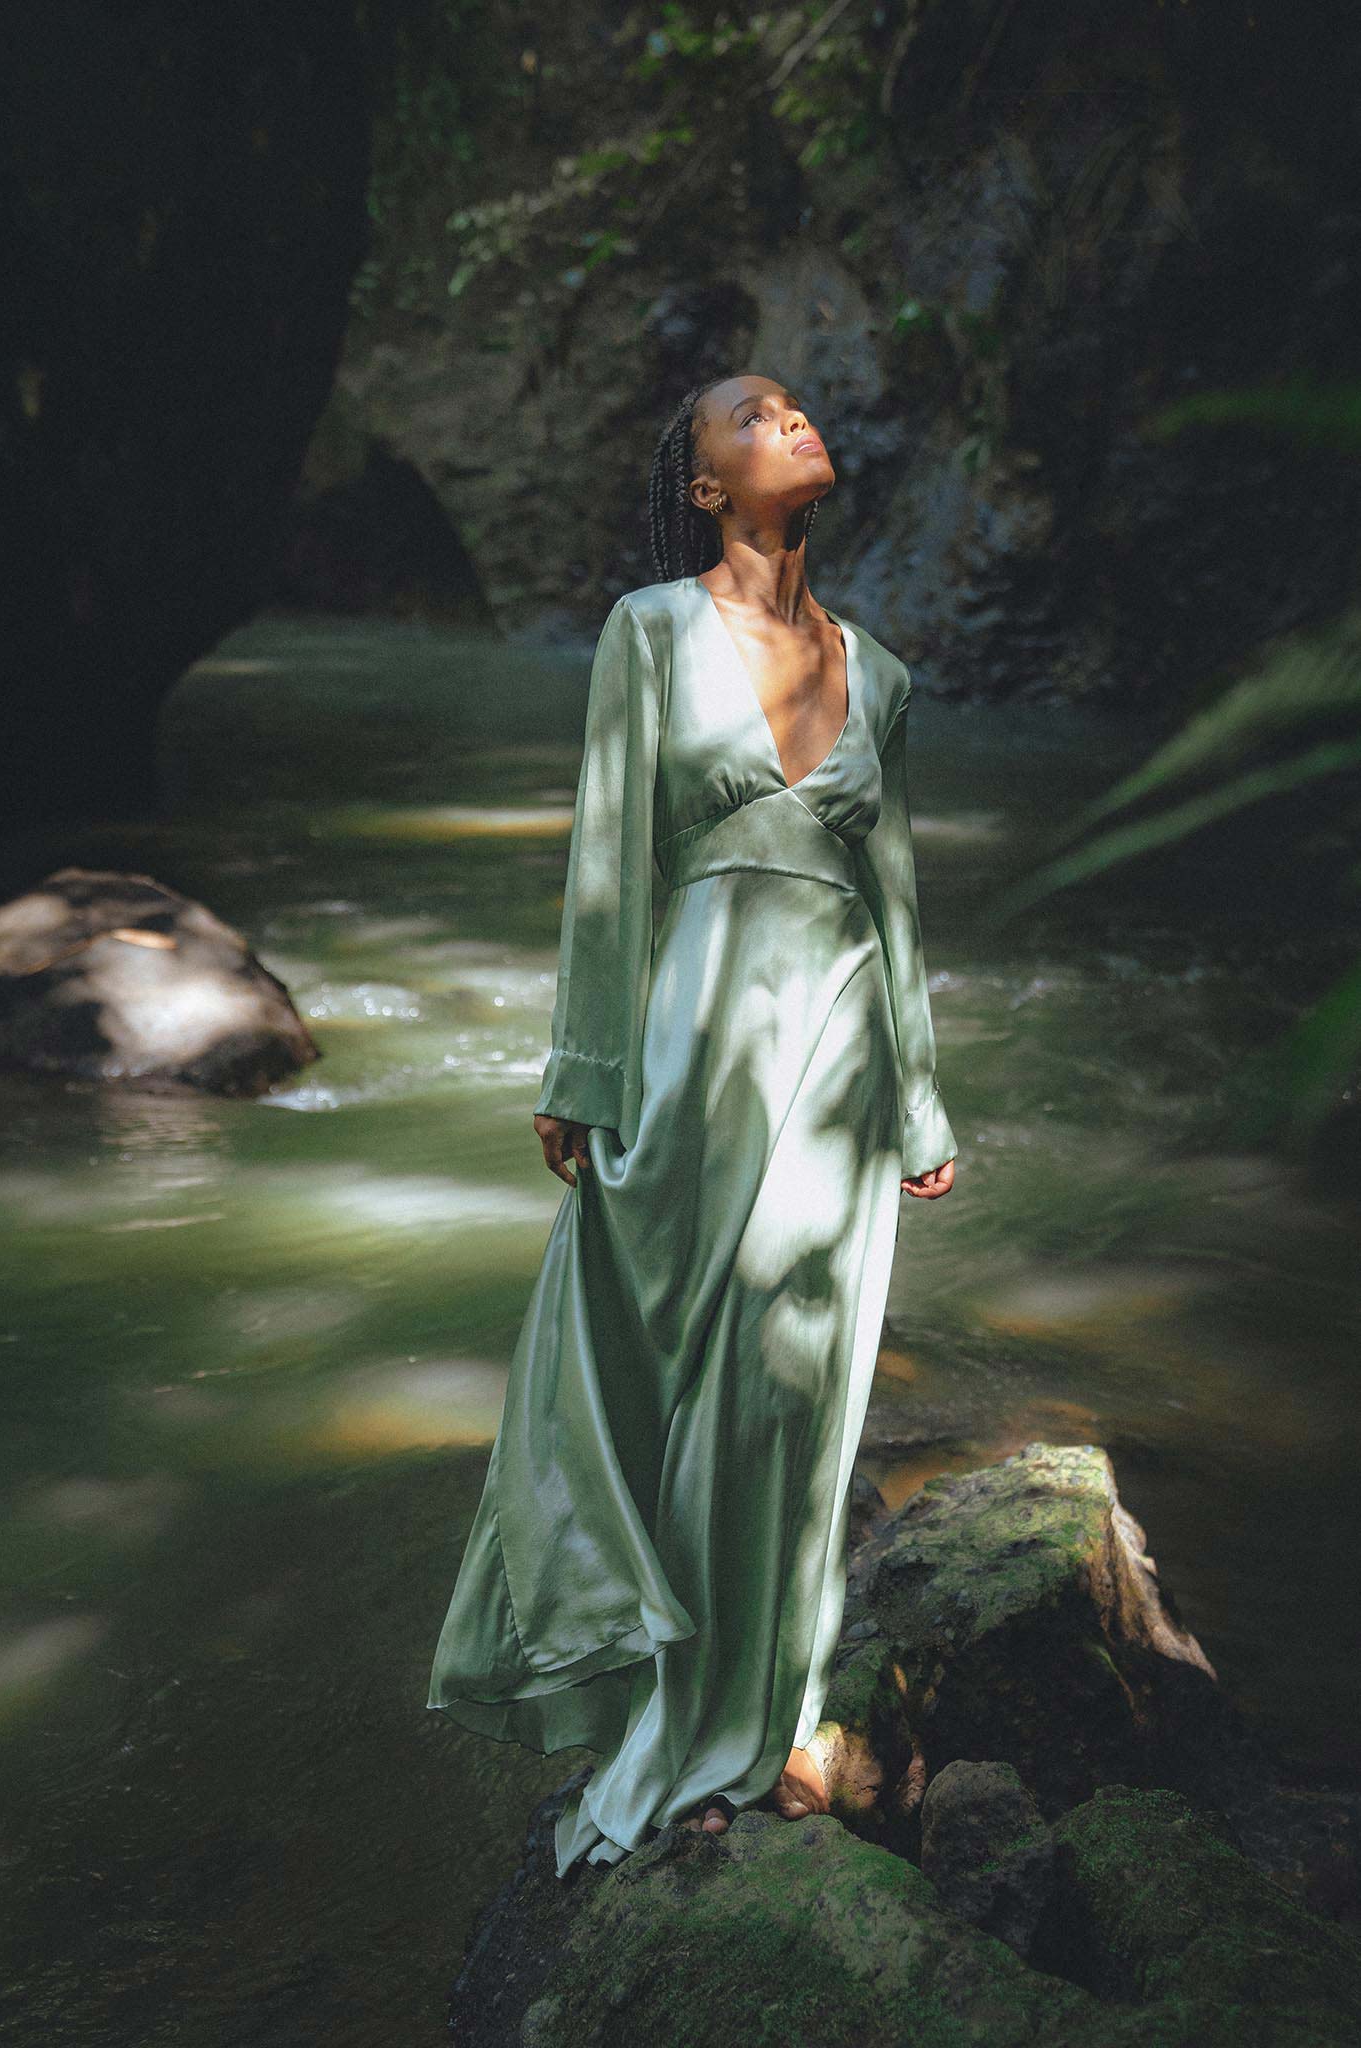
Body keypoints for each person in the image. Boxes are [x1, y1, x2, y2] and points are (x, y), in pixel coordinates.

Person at [426, 371, 958, 1878]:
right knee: (650, 1381)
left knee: (790, 1397)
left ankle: (767, 1716)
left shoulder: (887, 676)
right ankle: (667, 1721)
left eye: (793, 403)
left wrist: (918, 1095)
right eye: (750, 413)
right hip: (686, 1048)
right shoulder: (649, 630)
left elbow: (895, 903)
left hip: (841, 1061)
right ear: (708, 486)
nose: (786, 416)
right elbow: (611, 858)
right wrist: (581, 1070)